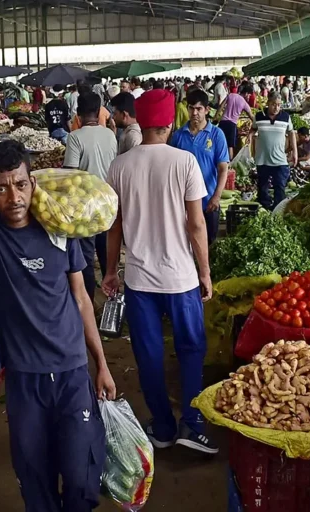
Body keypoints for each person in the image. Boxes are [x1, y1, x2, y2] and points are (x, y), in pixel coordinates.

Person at [0, 140, 115, 512]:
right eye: (2, 189)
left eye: (21, 184)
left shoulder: (57, 228)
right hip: (24, 377)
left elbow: (82, 298)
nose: (14, 197)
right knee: (34, 477)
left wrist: (100, 363)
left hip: (71, 370)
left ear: (33, 183)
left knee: (82, 472)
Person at [102, 88, 217, 455]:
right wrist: (205, 271)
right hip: (180, 277)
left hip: (139, 280)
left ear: (139, 120)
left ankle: (163, 427)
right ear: (169, 123)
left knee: (148, 355)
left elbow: (114, 226)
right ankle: (193, 424)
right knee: (191, 348)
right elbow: (196, 225)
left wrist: (110, 270)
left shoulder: (120, 166)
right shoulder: (184, 162)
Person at [64, 92, 118, 299]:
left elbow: (71, 173)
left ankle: (87, 299)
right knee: (106, 251)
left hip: (84, 205)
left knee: (85, 254)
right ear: (98, 112)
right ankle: (112, 292)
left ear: (78, 113)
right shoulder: (110, 135)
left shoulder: (75, 137)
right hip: (107, 202)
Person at [170, 89, 229, 247]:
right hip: (183, 203)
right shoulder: (178, 136)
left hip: (209, 202)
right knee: (184, 245)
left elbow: (223, 168)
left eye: (199, 109)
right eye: (191, 108)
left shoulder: (217, 135)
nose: (194, 113)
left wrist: (216, 196)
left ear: (207, 110)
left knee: (208, 245)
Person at [252, 93, 296, 211]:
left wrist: (295, 152)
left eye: (278, 105)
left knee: (280, 188)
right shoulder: (259, 116)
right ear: (267, 104)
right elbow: (253, 129)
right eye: (273, 104)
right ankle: (264, 210)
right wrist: (250, 138)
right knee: (262, 188)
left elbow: (291, 133)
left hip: (280, 160)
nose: (276, 108)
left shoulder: (285, 117)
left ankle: (278, 211)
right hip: (262, 159)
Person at [218, 86, 253, 159]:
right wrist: (258, 124)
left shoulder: (230, 95)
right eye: (249, 95)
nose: (249, 97)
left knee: (220, 144)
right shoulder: (244, 103)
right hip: (232, 125)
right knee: (230, 146)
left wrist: (215, 117)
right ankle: (230, 165)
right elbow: (251, 116)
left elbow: (221, 106)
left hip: (222, 122)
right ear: (246, 93)